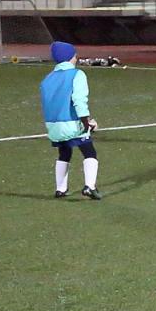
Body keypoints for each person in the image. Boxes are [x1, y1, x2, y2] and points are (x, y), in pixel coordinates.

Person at [40, 40, 101, 200]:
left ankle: (60, 189)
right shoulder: (77, 74)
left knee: (64, 152)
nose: (76, 58)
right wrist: (87, 123)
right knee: (89, 152)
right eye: (75, 56)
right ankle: (90, 186)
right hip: (72, 124)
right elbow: (79, 101)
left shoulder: (47, 79)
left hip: (53, 126)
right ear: (69, 57)